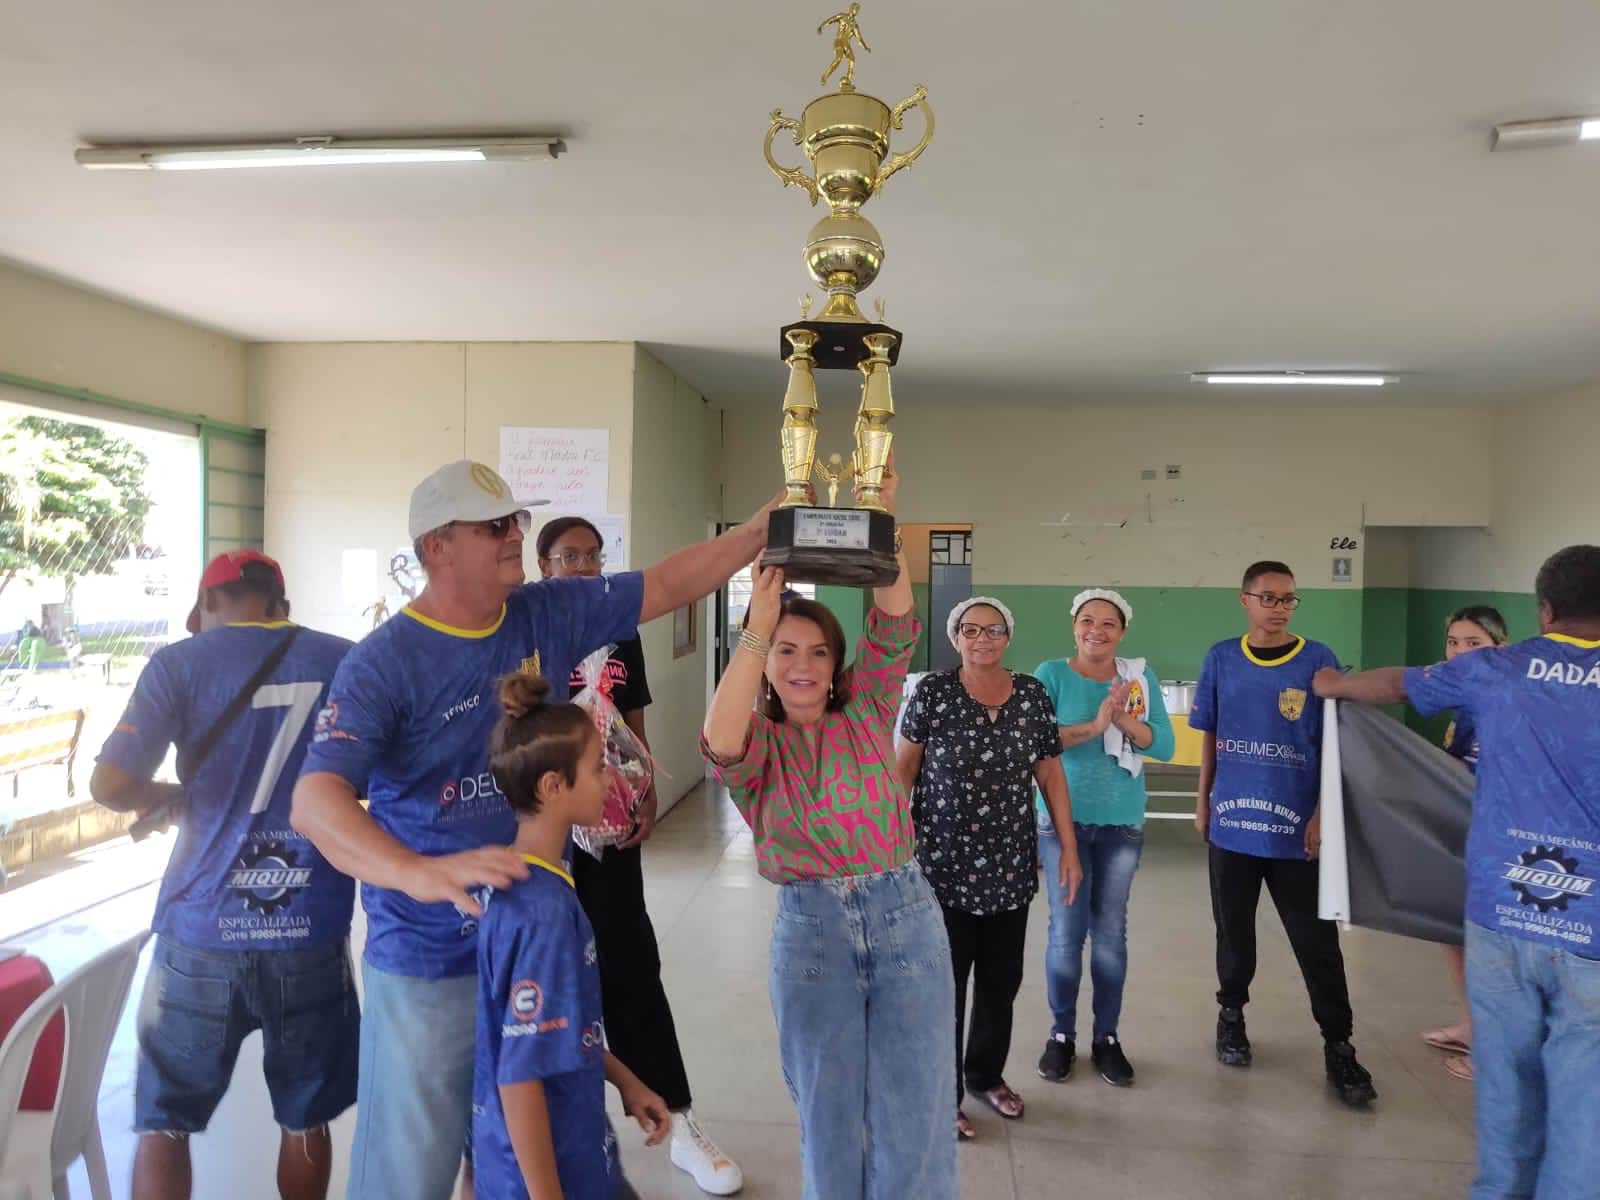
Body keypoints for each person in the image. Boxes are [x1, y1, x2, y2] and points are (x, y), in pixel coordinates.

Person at [291, 459, 775, 1200]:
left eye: (515, 521)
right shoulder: (382, 664)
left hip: (519, 940)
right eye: (493, 527)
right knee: (407, 1170)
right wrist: (419, 873)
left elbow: (670, 582)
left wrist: (754, 535)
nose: (514, 535)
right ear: (436, 548)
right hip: (425, 958)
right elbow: (316, 802)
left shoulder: (545, 612)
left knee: (505, 1146)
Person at [702, 458, 956, 1200]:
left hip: (905, 916)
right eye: (787, 651)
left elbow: (896, 624)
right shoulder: (757, 748)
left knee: (916, 1107)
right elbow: (718, 740)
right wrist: (758, 622)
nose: (804, 664)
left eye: (818, 652)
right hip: (813, 933)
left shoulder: (870, 712)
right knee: (828, 1108)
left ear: (840, 667)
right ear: (765, 664)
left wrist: (881, 519)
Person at [1313, 545, 1600, 1198]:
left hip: (1501, 916)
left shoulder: (1497, 669)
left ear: (1545, 609)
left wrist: (1332, 686)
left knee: (1506, 1083)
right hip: (1592, 930)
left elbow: (1395, 684)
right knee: (1587, 1095)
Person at [91, 550, 358, 1200]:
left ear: (208, 603)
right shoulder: (343, 659)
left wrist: (170, 793)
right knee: (305, 1121)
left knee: (164, 1125)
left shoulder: (178, 664)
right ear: (279, 601)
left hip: (198, 929)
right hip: (310, 926)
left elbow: (110, 784)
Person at [537, 515, 742, 1194]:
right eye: (569, 556)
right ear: (544, 566)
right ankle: (554, 1135)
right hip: (536, 831)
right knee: (542, 974)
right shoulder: (526, 630)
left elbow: (634, 721)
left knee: (630, 964)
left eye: (594, 556)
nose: (584, 566)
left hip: (607, 825)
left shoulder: (621, 629)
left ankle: (677, 1119)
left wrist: (646, 786)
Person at [473, 672, 671, 1199]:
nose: (611, 780)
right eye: (598, 768)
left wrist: (625, 1080)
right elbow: (517, 1076)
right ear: (552, 786)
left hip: (578, 1151)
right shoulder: (543, 913)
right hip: (551, 1176)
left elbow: (556, 1027)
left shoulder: (530, 882)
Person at [1190, 560, 1377, 1107]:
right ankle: (1231, 1016)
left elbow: (1333, 746)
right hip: (1233, 826)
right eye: (1268, 597)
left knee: (1315, 942)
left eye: (1289, 599)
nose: (1279, 608)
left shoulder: (1317, 660)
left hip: (1297, 833)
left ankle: (1339, 1043)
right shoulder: (1222, 658)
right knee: (1234, 933)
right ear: (1244, 599)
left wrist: (1322, 813)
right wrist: (1204, 802)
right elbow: (1211, 737)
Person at [897, 596, 1082, 1139]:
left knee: (1001, 982)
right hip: (942, 865)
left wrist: (1068, 847)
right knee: (945, 986)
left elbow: (1049, 773)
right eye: (970, 629)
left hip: (1009, 865)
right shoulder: (933, 692)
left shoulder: (1031, 694)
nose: (982, 638)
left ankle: (984, 1076)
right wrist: (888, 846)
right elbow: (903, 771)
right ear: (955, 638)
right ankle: (940, 1093)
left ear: (1009, 635)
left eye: (994, 629)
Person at [1033, 588, 1175, 1088]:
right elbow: (1036, 739)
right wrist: (1095, 725)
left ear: (1122, 631)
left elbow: (1166, 743)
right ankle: (1062, 1035)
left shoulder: (1137, 678)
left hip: (1120, 824)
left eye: (1108, 623)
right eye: (1087, 620)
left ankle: (1107, 1037)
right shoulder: (1050, 674)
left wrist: (1122, 719)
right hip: (1060, 821)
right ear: (1074, 624)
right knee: (1066, 933)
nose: (1096, 629)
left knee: (1110, 935)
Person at [1418, 605, 1508, 1083]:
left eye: (1473, 643)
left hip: (1494, 837)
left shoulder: (1501, 697)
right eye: (1453, 642)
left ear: (1500, 647)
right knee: (1453, 936)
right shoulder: (1466, 697)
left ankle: (1491, 1050)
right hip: (1462, 829)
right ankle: (1472, 1026)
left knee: (1485, 945)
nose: (1459, 652)